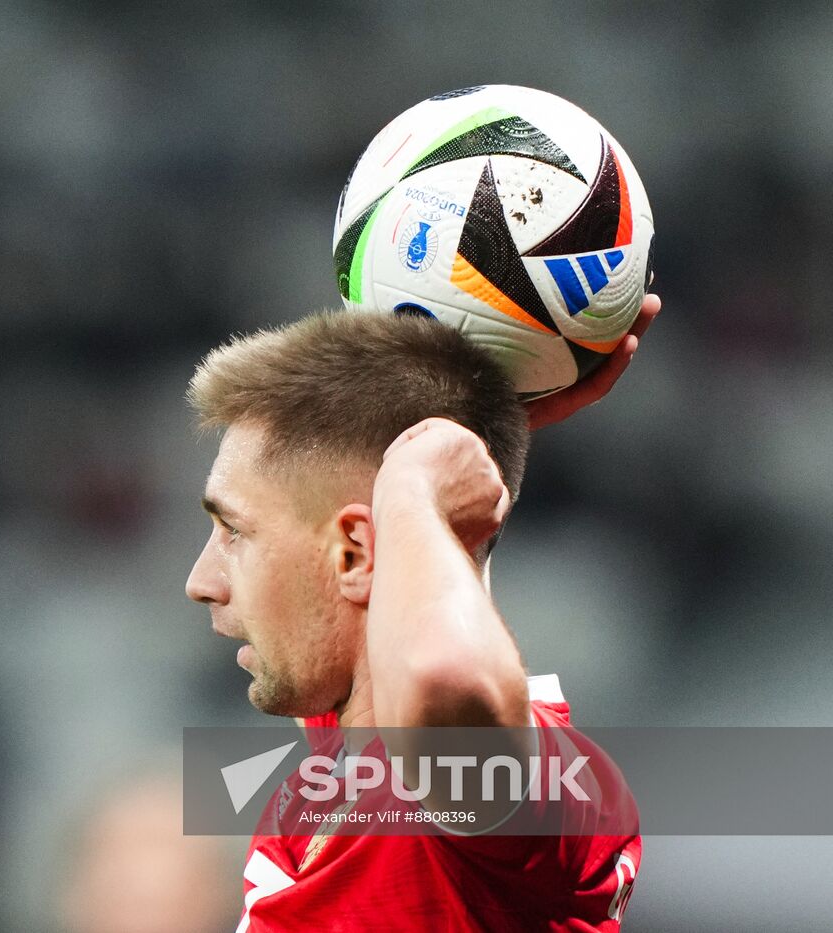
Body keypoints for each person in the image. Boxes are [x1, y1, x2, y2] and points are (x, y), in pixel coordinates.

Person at [183, 296, 659, 932]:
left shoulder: (534, 793)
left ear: (355, 550)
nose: (201, 581)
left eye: (234, 531)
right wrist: (487, 426)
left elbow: (444, 679)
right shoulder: (338, 771)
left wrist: (411, 489)